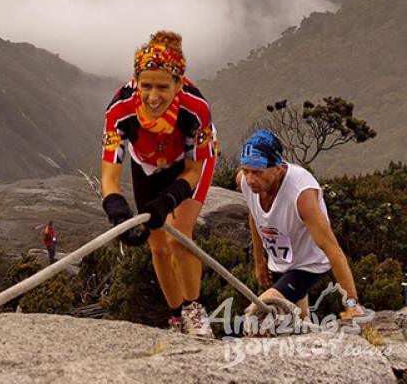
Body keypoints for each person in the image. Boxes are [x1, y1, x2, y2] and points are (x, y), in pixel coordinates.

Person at [101, 30, 217, 336]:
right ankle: (176, 315)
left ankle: (194, 310)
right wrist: (117, 212)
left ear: (179, 84)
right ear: (135, 81)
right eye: (146, 85)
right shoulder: (119, 110)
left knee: (178, 237)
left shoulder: (196, 109)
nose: (153, 97)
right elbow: (110, 176)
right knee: (158, 247)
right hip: (147, 163)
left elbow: (193, 171)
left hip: (189, 163)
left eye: (163, 87)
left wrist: (168, 200)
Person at [236, 129, 364, 320]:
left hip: (308, 265)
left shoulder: (301, 195)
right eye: (245, 171)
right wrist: (259, 262)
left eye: (257, 172)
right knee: (298, 322)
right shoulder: (246, 183)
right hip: (280, 263)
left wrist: (352, 304)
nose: (250, 179)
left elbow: (332, 249)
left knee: (258, 315)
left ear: (278, 168)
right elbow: (256, 217)